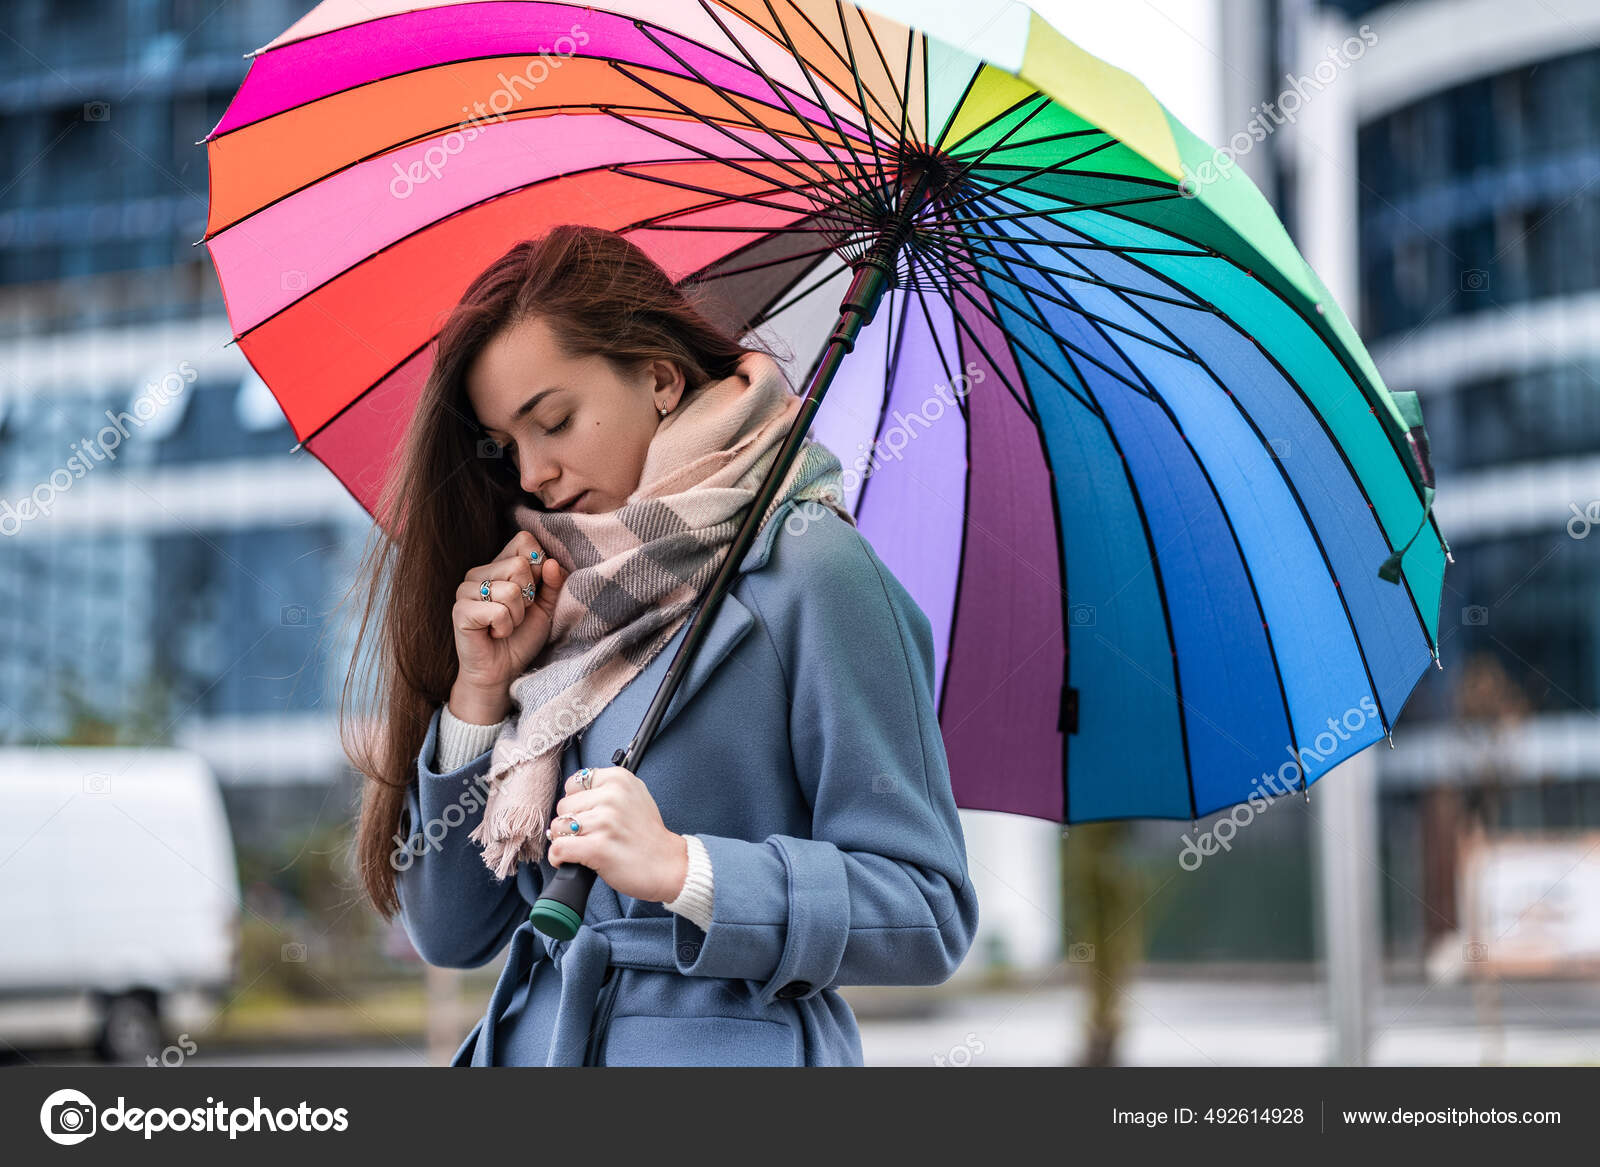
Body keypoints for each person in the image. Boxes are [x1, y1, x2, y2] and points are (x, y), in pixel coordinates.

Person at [344, 224, 978, 1066]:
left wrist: (687, 871)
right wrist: (479, 693)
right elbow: (452, 933)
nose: (531, 474)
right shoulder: (552, 591)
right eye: (507, 445)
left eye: (556, 421)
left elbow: (928, 910)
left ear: (661, 378)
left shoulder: (814, 569)